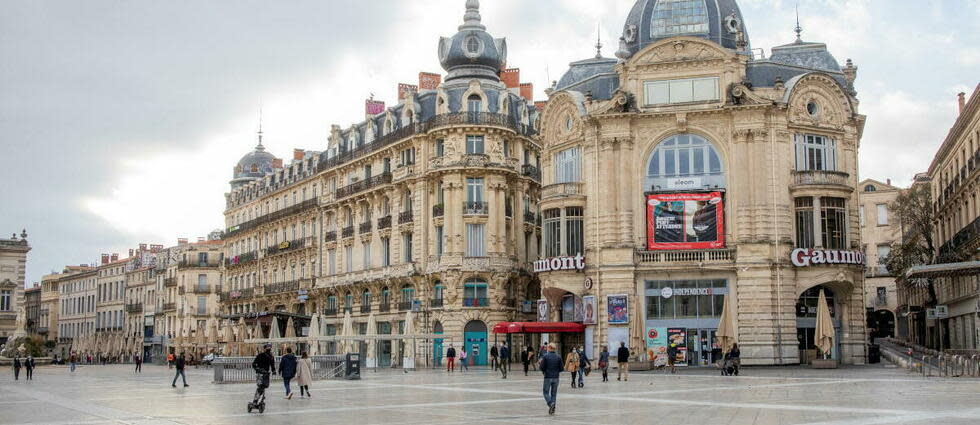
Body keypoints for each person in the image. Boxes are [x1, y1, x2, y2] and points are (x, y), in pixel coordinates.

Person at [251, 344, 276, 410]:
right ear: (265, 349)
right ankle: (256, 400)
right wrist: (258, 369)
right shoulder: (265, 356)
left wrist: (273, 371)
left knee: (263, 386)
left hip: (264, 373)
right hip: (261, 373)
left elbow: (272, 365)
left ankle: (257, 400)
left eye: (269, 348)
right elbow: (254, 364)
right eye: (268, 348)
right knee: (261, 386)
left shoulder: (269, 356)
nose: (269, 349)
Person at [538, 343, 562, 416]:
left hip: (548, 377)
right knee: (553, 394)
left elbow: (541, 367)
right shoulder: (558, 357)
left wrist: (544, 370)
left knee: (545, 392)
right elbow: (561, 368)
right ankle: (553, 409)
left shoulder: (546, 356)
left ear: (549, 348)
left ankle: (550, 403)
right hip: (556, 377)